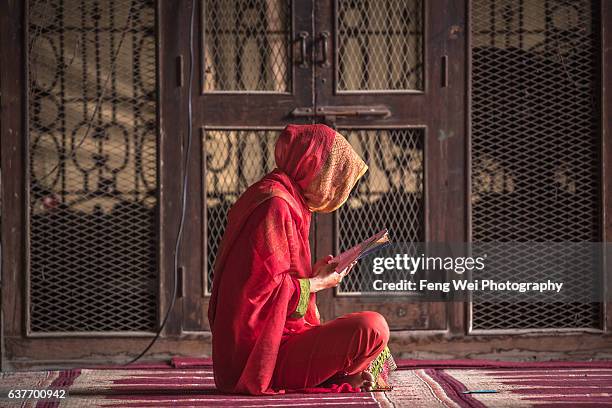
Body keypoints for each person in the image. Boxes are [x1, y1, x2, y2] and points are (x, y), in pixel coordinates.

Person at [208, 124, 396, 395]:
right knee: (372, 328)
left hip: (284, 338)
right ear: (310, 164)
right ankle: (336, 377)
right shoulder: (274, 205)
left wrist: (314, 273)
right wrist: (317, 283)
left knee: (371, 330)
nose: (334, 186)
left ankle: (335, 377)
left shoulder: (286, 199)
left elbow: (276, 280)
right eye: (332, 173)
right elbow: (257, 296)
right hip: (261, 354)